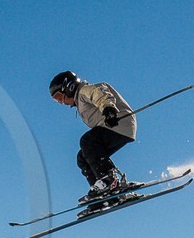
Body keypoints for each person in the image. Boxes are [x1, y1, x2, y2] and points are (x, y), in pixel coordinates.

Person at [49, 70, 138, 218]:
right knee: (82, 157)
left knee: (87, 141)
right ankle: (103, 192)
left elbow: (100, 94)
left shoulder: (84, 91)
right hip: (114, 127)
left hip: (118, 122)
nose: (61, 102)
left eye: (59, 97)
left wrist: (109, 109)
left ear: (68, 87)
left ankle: (108, 181)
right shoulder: (79, 102)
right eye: (56, 100)